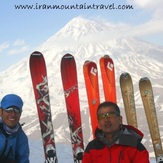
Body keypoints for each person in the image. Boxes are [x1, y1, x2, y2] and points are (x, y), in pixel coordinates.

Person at [82, 101, 149, 163]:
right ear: (99, 124)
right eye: (102, 117)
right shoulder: (92, 148)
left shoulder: (135, 147)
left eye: (110, 115)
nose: (106, 119)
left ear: (120, 120)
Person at [0, 94, 29, 163]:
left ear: (20, 113)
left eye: (17, 110)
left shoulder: (21, 138)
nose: (13, 114)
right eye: (9, 109)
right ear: (1, 111)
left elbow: (23, 160)